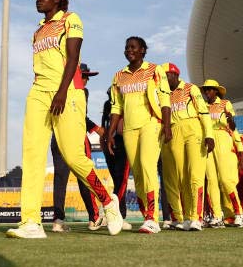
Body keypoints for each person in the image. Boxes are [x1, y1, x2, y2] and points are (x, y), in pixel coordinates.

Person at [6, 0, 123, 239]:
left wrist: (60, 92)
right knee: (32, 155)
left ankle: (108, 201)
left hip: (67, 92)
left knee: (73, 156)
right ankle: (31, 222)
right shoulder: (38, 31)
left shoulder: (71, 19)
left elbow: (72, 58)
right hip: (38, 92)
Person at [106, 37, 172, 234]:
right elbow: (116, 107)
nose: (129, 50)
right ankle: (147, 216)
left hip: (151, 124)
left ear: (143, 50)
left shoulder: (154, 70)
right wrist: (110, 134)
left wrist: (167, 125)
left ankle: (153, 219)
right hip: (129, 129)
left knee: (147, 165)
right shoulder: (119, 76)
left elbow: (165, 99)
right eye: (127, 47)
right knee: (139, 174)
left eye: (133, 47)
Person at [50, 63, 106, 232]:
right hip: (76, 138)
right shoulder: (81, 92)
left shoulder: (57, 89)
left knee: (60, 180)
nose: (87, 80)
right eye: (84, 76)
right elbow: (81, 117)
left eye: (87, 76)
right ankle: (94, 218)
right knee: (84, 176)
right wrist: (97, 129)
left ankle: (57, 221)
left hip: (58, 137)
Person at [163, 63, 215, 231]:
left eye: (167, 76)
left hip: (193, 129)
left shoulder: (190, 88)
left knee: (195, 174)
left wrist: (209, 134)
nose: (164, 79)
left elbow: (203, 111)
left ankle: (196, 218)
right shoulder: (163, 93)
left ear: (175, 74)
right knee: (180, 177)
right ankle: (184, 217)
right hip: (173, 131)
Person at [201, 80, 243, 228]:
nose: (206, 92)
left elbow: (233, 127)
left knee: (226, 180)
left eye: (209, 90)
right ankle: (217, 216)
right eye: (205, 90)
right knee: (211, 181)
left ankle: (238, 214)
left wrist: (240, 151)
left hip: (223, 139)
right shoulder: (203, 106)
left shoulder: (225, 103)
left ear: (216, 91)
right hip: (207, 141)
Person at [101, 89, 132, 231]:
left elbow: (108, 128)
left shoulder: (116, 105)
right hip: (114, 145)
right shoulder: (110, 105)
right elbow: (106, 128)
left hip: (117, 144)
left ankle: (119, 215)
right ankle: (119, 215)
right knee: (120, 182)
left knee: (120, 182)